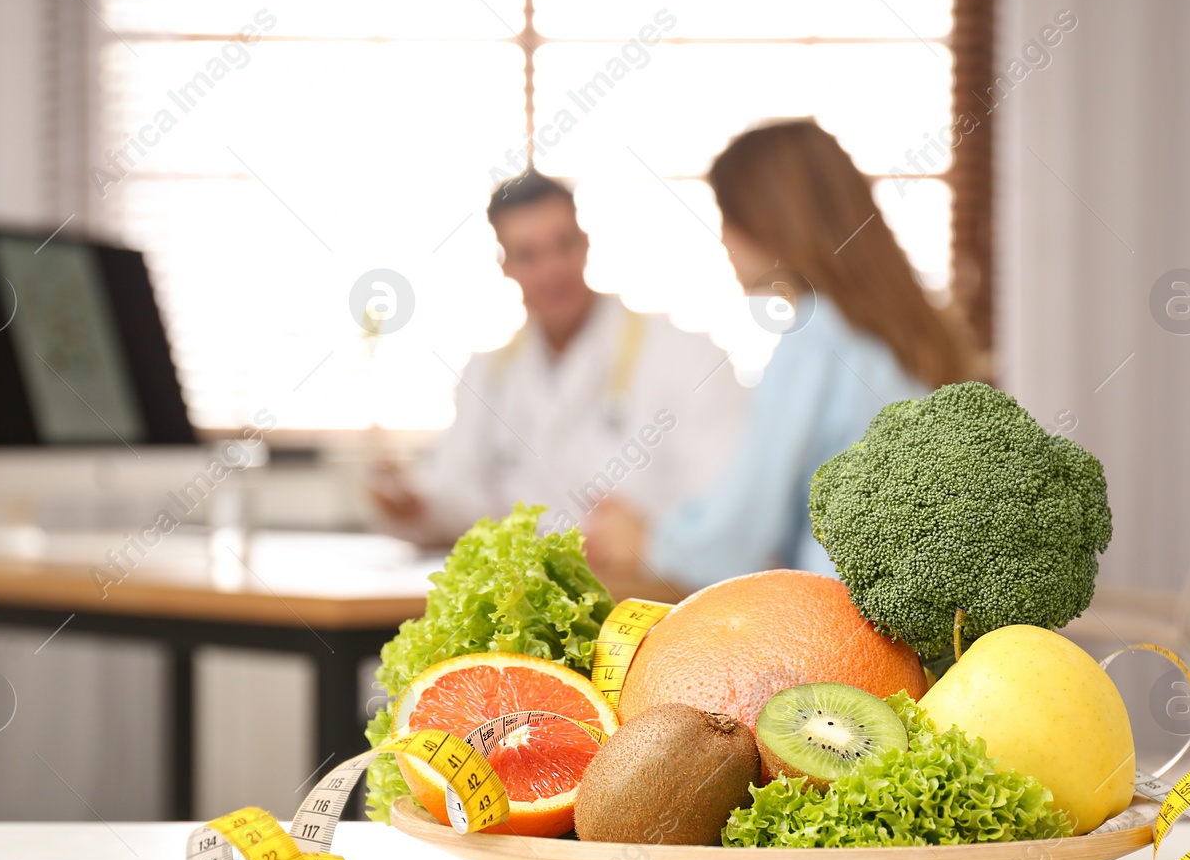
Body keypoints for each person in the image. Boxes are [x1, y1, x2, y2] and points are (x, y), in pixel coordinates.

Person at [584, 119, 977, 590]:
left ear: (766, 220)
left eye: (727, 218)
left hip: (837, 632)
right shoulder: (903, 333)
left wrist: (644, 539)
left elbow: (735, 538)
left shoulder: (813, 339)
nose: (724, 241)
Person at [370, 170, 745, 548]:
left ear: (585, 245)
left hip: (647, 596)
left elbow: (721, 514)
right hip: (527, 599)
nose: (551, 270)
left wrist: (647, 537)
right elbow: (462, 500)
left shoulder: (688, 357)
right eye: (528, 255)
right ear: (506, 266)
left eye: (563, 245)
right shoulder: (487, 375)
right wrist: (414, 505)